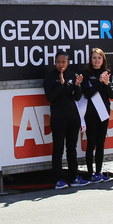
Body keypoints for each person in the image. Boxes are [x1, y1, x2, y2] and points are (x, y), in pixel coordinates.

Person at [45, 52, 85, 189]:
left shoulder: (73, 75)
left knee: (72, 148)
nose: (61, 65)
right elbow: (50, 97)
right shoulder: (50, 77)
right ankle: (58, 179)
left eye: (63, 62)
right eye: (58, 62)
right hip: (58, 118)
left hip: (73, 117)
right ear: (55, 63)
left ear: (67, 62)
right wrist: (61, 85)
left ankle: (74, 177)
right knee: (58, 148)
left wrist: (77, 85)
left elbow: (77, 97)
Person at [79, 48, 113, 183]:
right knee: (91, 143)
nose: (96, 60)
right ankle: (90, 173)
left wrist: (106, 84)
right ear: (91, 60)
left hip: (103, 112)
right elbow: (87, 93)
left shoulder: (107, 74)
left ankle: (99, 172)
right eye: (94, 57)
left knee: (101, 143)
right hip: (90, 113)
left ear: (103, 60)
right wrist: (99, 83)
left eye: (99, 58)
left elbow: (112, 94)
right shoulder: (85, 74)